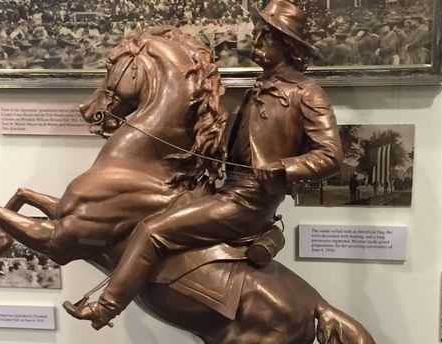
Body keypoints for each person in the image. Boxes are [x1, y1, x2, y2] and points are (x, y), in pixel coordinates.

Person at [65, 0, 343, 327]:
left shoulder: (306, 93)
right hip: (226, 189)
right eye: (257, 32)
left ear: (288, 44)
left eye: (266, 35)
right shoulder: (256, 90)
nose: (256, 40)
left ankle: (105, 309)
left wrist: (284, 168)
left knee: (152, 231)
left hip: (249, 201)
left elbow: (330, 156)